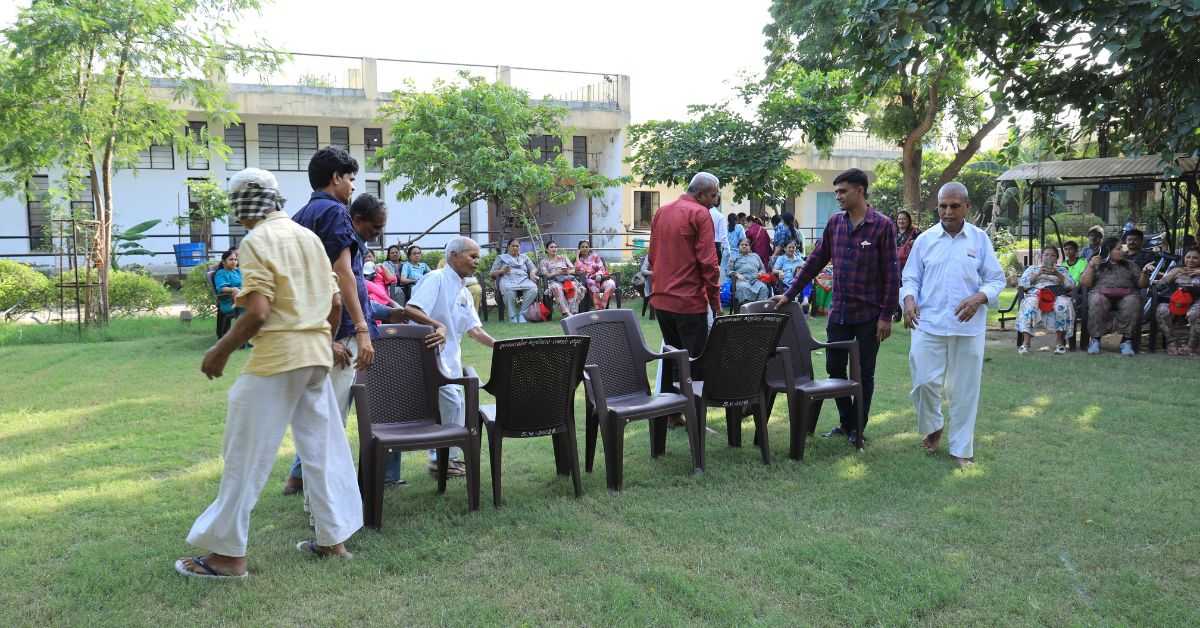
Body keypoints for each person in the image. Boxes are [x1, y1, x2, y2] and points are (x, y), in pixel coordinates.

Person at [175, 168, 362, 579]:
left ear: (246, 205)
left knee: (246, 453)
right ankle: (333, 541)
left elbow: (258, 310)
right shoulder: (306, 236)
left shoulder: (257, 240)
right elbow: (334, 303)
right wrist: (326, 341)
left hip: (279, 358)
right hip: (315, 357)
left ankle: (226, 557)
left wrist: (220, 351)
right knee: (324, 451)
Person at [289, 156, 410, 493]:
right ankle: (328, 490)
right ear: (336, 177)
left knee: (321, 413)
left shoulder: (300, 217)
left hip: (319, 333)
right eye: (351, 179)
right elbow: (343, 274)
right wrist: (357, 330)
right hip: (340, 336)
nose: (353, 186)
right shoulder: (335, 212)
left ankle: (304, 479)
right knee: (333, 417)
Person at [770, 168, 899, 446]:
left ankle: (857, 429)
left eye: (843, 191)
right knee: (835, 368)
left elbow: (891, 274)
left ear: (860, 191)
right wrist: (790, 294)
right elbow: (814, 261)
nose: (838, 196)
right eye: (836, 191)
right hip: (839, 312)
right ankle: (846, 423)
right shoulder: (835, 224)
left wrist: (886, 316)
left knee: (864, 372)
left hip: (869, 314)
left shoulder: (882, 225)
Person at [901, 182, 1006, 468]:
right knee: (923, 381)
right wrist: (908, 300)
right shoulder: (925, 240)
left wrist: (979, 298)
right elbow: (910, 277)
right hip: (928, 323)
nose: (947, 211)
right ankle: (933, 425)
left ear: (967, 207)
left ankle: (962, 448)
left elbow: (996, 279)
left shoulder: (979, 239)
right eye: (943, 205)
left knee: (964, 390)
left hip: (967, 327)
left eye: (954, 206)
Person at [404, 237, 497, 477]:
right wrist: (437, 326)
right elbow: (412, 309)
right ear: (454, 256)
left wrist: (500, 346)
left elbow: (474, 330)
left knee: (456, 408)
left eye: (478, 257)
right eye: (472, 256)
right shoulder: (435, 279)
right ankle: (441, 460)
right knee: (452, 406)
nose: (477, 262)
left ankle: (446, 460)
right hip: (428, 359)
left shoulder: (464, 292)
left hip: (450, 361)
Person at [648, 172, 722, 395]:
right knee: (694, 362)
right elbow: (709, 264)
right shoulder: (701, 214)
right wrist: (716, 305)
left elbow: (652, 256)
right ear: (700, 194)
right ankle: (694, 420)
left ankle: (671, 414)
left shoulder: (661, 212)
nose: (715, 200)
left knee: (672, 357)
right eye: (713, 195)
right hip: (689, 302)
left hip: (661, 301)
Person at [1080, 237, 1149, 356]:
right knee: (1096, 299)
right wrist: (1091, 266)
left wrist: (1144, 273)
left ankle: (1126, 341)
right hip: (1101, 293)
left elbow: (1142, 285)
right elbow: (1085, 283)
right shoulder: (1098, 263)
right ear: (1108, 250)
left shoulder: (1130, 265)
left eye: (1122, 248)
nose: (1122, 251)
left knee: (1133, 301)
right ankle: (1095, 339)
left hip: (1126, 294)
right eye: (1118, 249)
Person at [1015, 245, 1075, 355]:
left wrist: (1057, 274)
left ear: (1057, 258)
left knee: (1062, 305)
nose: (1049, 257)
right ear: (1041, 257)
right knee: (1030, 305)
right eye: (1046, 254)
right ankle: (1026, 343)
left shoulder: (1061, 269)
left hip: (1056, 294)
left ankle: (1059, 343)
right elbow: (1022, 285)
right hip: (1036, 293)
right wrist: (1038, 274)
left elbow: (1071, 285)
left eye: (1052, 255)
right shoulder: (1033, 269)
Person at [1153, 247, 1200, 355]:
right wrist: (1170, 276)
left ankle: (1191, 346)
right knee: (1162, 310)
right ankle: (1172, 343)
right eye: (1188, 257)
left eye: (1195, 258)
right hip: (1178, 302)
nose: (1190, 260)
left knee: (1194, 313)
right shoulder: (1178, 270)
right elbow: (1160, 284)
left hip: (1197, 302)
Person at [490, 238, 539, 323]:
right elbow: (491, 273)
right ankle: (512, 316)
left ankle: (521, 314)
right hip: (508, 280)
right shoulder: (501, 258)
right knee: (509, 290)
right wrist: (502, 271)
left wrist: (532, 273)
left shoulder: (524, 257)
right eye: (513, 246)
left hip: (523, 280)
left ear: (520, 247)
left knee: (533, 288)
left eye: (517, 246)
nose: (515, 248)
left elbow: (533, 268)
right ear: (508, 247)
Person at [540, 240, 583, 317]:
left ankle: (573, 312)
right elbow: (546, 275)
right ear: (547, 249)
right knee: (556, 288)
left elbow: (573, 270)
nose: (554, 249)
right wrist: (556, 272)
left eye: (555, 247)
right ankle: (566, 312)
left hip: (567, 279)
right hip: (554, 281)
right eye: (551, 247)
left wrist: (567, 271)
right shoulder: (544, 261)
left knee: (574, 286)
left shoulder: (563, 257)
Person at [574, 240, 616, 310]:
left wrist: (598, 275)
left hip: (601, 278)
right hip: (590, 280)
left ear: (589, 248)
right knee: (592, 283)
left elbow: (602, 268)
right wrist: (577, 256)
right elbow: (578, 270)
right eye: (582, 247)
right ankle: (598, 308)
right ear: (579, 249)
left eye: (586, 247)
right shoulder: (579, 260)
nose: (585, 248)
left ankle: (602, 306)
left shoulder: (595, 256)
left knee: (611, 284)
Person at [729, 239, 771, 303]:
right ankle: (747, 310)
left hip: (755, 280)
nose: (744, 246)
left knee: (763, 288)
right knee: (744, 287)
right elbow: (729, 271)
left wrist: (760, 273)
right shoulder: (734, 257)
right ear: (738, 246)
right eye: (742, 245)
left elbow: (762, 269)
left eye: (746, 245)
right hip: (742, 281)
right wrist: (737, 274)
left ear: (750, 247)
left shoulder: (755, 256)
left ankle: (759, 310)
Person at [213, 248, 244, 321]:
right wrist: (233, 289)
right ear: (223, 262)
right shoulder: (221, 273)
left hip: (243, 298)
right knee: (255, 306)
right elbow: (221, 288)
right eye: (231, 259)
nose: (234, 262)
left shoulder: (237, 271)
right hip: (229, 302)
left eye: (235, 259)